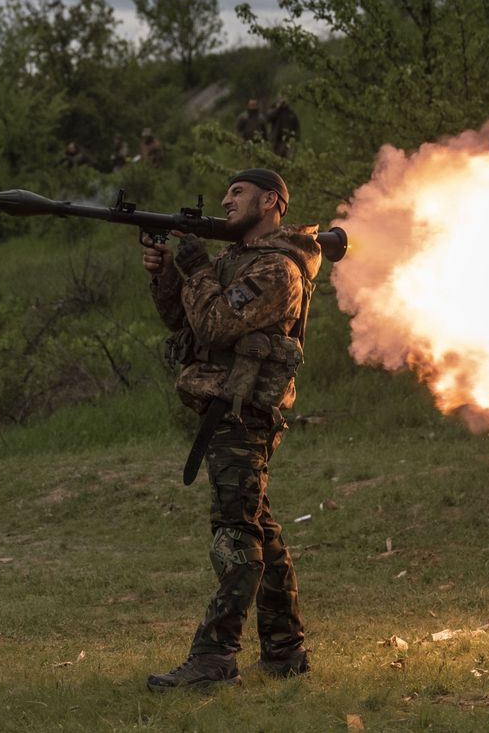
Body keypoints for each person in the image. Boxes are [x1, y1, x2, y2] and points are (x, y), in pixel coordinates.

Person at [142, 168, 321, 691]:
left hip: (244, 413)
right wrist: (165, 273)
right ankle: (285, 651)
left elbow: (217, 323)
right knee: (258, 527)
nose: (225, 200)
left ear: (271, 202)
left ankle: (215, 657)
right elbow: (184, 320)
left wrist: (196, 265)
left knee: (235, 533)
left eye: (237, 193)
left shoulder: (278, 269)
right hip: (226, 409)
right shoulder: (233, 261)